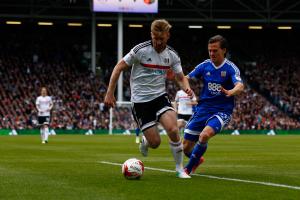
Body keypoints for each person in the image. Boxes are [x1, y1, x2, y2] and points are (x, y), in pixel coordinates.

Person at [104, 19, 194, 178]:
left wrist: (186, 87)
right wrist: (110, 93)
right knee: (155, 143)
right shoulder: (140, 50)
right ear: (151, 35)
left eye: (162, 39)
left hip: (160, 97)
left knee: (173, 129)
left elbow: (180, 77)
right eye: (155, 38)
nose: (158, 42)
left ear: (168, 36)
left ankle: (180, 169)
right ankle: (146, 141)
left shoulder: (172, 55)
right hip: (140, 102)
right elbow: (119, 67)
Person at [183, 35, 244, 175]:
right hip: (203, 109)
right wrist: (187, 88)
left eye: (215, 50)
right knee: (185, 147)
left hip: (222, 110)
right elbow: (186, 78)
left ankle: (187, 169)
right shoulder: (205, 65)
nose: (211, 53)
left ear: (224, 50)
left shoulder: (230, 68)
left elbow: (240, 86)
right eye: (210, 50)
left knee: (204, 135)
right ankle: (197, 159)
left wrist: (231, 91)